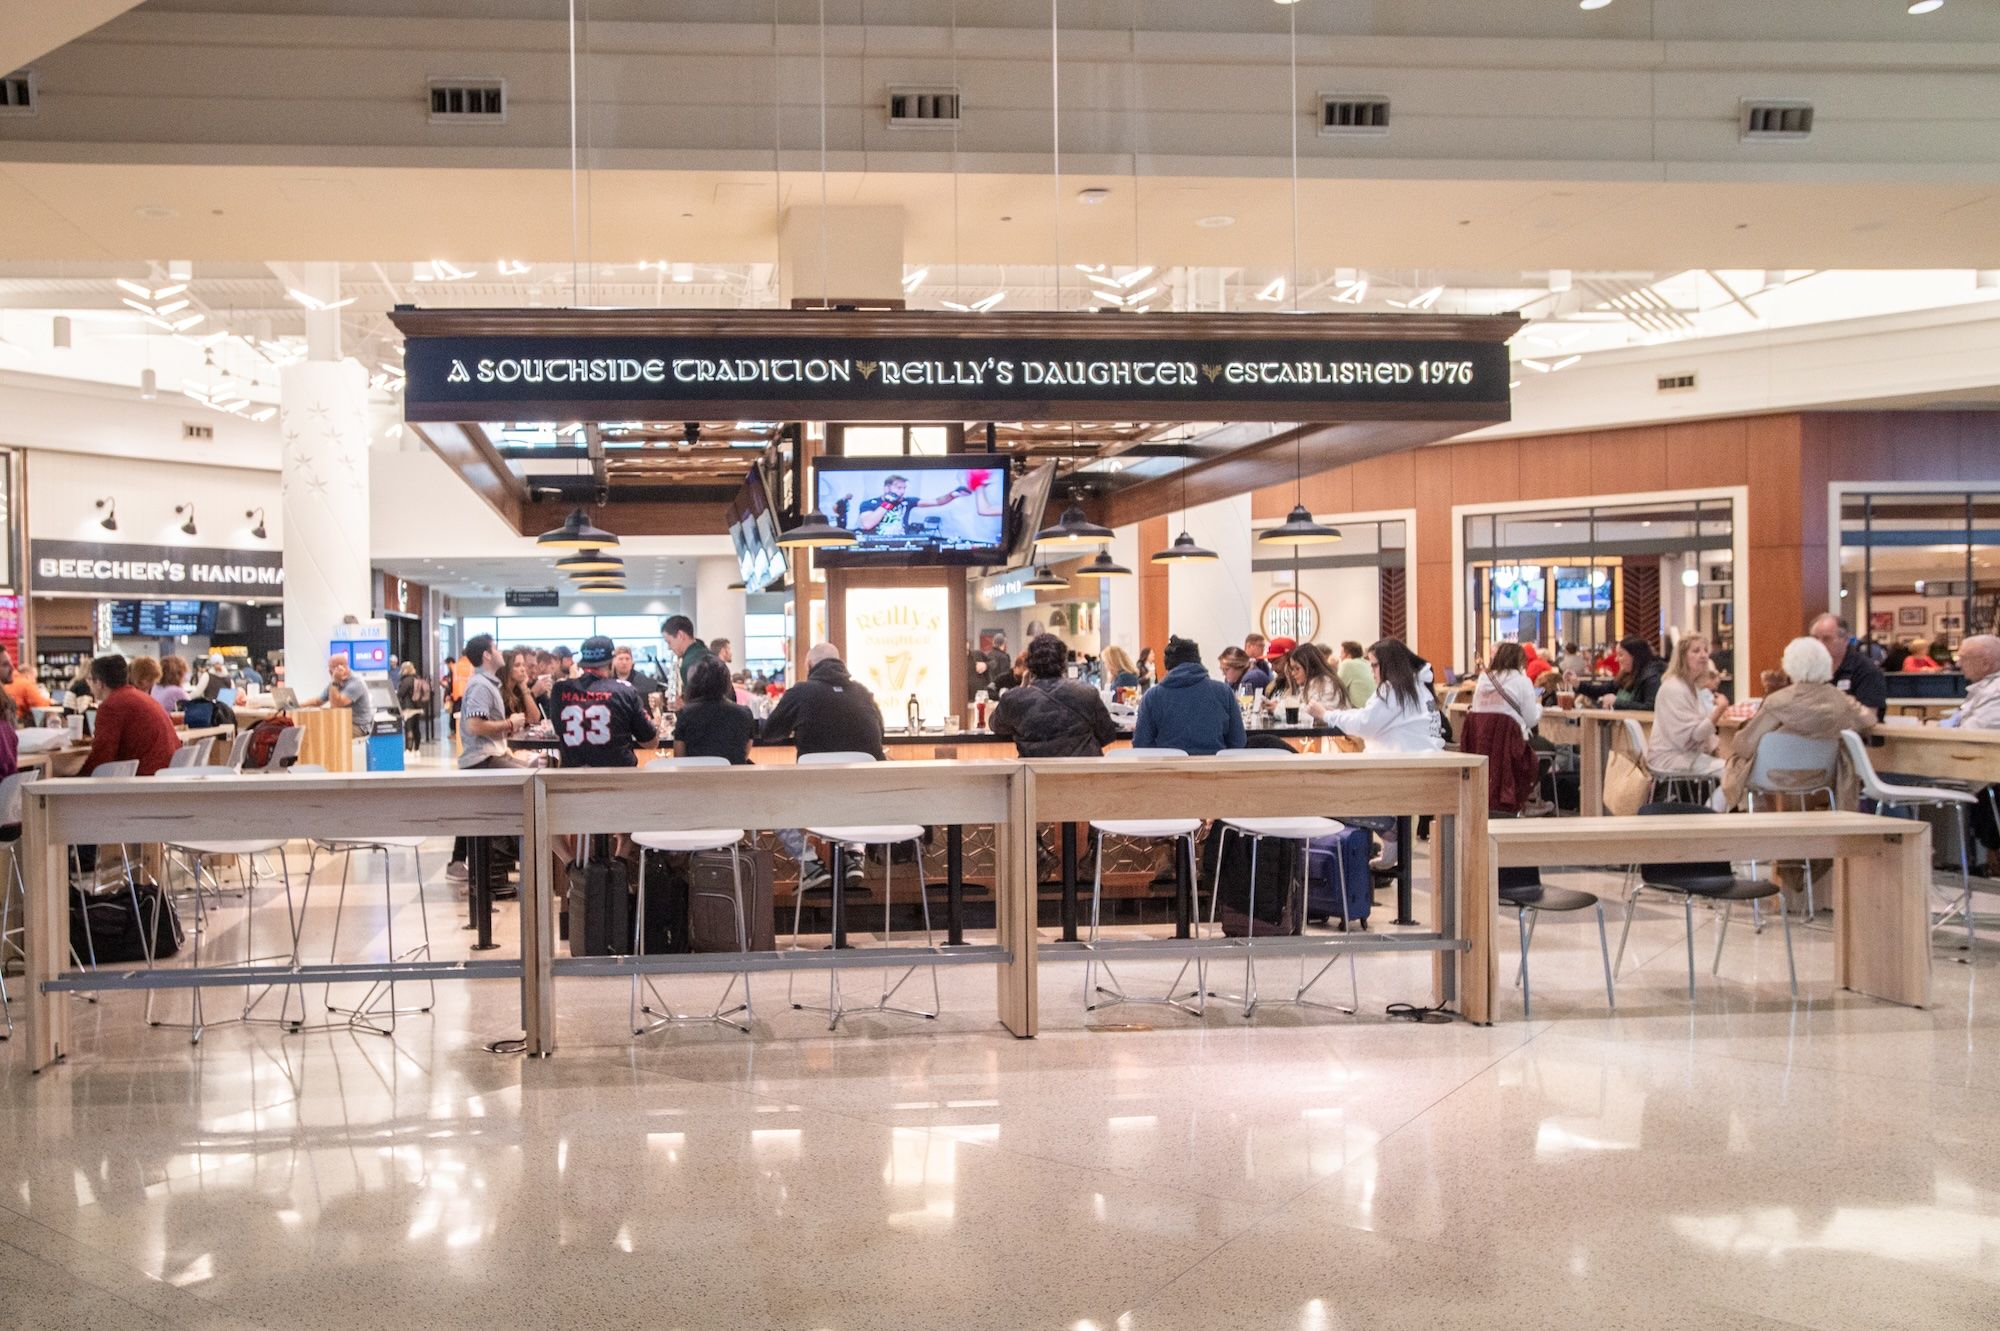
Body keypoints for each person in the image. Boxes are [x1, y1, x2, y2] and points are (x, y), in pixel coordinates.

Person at [762, 642, 887, 889]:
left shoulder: (800, 692)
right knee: (853, 792)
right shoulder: (863, 693)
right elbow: (880, 734)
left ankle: (809, 862)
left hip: (813, 801)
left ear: (809, 666)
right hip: (867, 803)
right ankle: (854, 854)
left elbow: (769, 733)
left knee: (769, 800)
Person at [1720, 636, 1876, 811]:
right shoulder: (1841, 699)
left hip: (1773, 776)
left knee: (1734, 765)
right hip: (1822, 776)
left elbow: (1744, 745)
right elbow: (1868, 720)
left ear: (1789, 665)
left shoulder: (1778, 701)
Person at [444, 634, 529, 886]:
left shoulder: (488, 683)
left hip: (491, 755)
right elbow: (474, 726)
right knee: (533, 781)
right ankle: (505, 862)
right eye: (496, 648)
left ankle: (501, 864)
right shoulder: (481, 685)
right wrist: (509, 724)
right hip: (483, 759)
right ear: (487, 655)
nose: (501, 652)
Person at [990, 632, 1119, 758]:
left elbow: (995, 725)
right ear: (1063, 663)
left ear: (1029, 665)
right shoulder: (1086, 693)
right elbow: (1107, 734)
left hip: (1036, 777)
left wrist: (1022, 688)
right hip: (1082, 775)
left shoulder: (1014, 699)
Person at [548, 636, 658, 768]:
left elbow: (558, 731)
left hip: (574, 779)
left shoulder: (560, 690)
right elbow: (650, 742)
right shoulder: (625, 691)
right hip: (620, 778)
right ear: (612, 661)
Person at [1323, 639, 1445, 754]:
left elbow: (1364, 724)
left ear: (1390, 664)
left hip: (1400, 768)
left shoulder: (1394, 689)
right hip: (1423, 763)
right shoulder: (1419, 688)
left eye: (1375, 665)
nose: (1372, 672)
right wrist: (1338, 714)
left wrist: (1327, 715)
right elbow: (1369, 716)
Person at [1133, 636, 1245, 755]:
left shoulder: (1152, 697)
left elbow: (1141, 745)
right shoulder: (1224, 692)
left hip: (1169, 771)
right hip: (1214, 770)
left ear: (1167, 665)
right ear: (1198, 661)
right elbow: (1238, 741)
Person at [1645, 632, 1729, 785]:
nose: (1703, 655)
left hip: (1685, 755)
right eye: (1696, 651)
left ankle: (1714, 808)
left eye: (1705, 650)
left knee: (1734, 772)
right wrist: (1720, 709)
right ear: (1682, 657)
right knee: (1732, 774)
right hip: (1670, 758)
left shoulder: (1692, 687)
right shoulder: (1674, 688)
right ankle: (1713, 809)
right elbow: (1696, 735)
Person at [79, 653, 180, 776]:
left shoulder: (111, 706)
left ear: (99, 683)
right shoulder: (142, 697)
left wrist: (74, 780)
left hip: (145, 780)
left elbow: (101, 756)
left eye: (90, 679)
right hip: (166, 774)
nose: (88, 685)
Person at [675, 656, 757, 764]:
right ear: (726, 682)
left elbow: (679, 757)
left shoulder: (685, 713)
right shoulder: (745, 714)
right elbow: (744, 754)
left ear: (694, 682)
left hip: (696, 778)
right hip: (734, 778)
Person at [1809, 612, 1887, 719]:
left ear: (1845, 640)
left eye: (1827, 639)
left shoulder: (1866, 670)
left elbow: (1869, 716)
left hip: (1854, 733)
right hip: (1817, 732)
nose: (1819, 644)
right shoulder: (1810, 669)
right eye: (1814, 639)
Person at [1469, 642, 1543, 741]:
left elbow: (1475, 709)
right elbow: (1531, 721)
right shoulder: (1522, 681)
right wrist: (1539, 705)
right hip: (1513, 744)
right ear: (1520, 661)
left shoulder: (1483, 679)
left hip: (1483, 741)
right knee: (1549, 746)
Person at [1576, 635, 1665, 710]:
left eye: (1621, 655)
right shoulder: (1625, 675)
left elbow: (1651, 707)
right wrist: (1576, 683)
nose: (1616, 659)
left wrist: (1617, 702)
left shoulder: (1652, 676)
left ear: (1634, 656)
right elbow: (1602, 690)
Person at [1268, 641, 1350, 722]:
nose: (1293, 673)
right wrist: (1279, 705)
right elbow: (1301, 706)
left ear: (1310, 667)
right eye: (1292, 669)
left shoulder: (1325, 685)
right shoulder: (1310, 685)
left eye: (1297, 669)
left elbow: (1313, 715)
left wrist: (1278, 709)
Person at [297, 653, 374, 738]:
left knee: (325, 733)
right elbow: (317, 701)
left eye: (331, 667)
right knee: (313, 728)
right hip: (342, 722)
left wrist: (335, 682)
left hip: (359, 727)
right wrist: (297, 706)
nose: (329, 671)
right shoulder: (335, 682)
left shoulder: (356, 683)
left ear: (340, 667)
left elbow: (336, 705)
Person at [661, 614, 713, 699]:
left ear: (680, 635)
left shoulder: (689, 664)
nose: (669, 648)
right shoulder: (709, 654)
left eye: (669, 642)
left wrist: (684, 704)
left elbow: (697, 704)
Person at [501, 648, 545, 728]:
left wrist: (523, 687)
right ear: (507, 668)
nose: (523, 669)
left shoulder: (520, 689)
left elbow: (534, 719)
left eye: (523, 665)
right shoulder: (498, 691)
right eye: (517, 665)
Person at [396, 661, 431, 752]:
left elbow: (400, 694)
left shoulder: (406, 680)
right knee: (416, 728)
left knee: (409, 728)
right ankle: (417, 749)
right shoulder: (417, 678)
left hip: (408, 708)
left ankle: (409, 749)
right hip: (418, 707)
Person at [1336, 641, 1374, 707]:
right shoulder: (1368, 663)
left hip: (1359, 711)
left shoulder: (1347, 663)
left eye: (1341, 653)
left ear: (1349, 656)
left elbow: (1336, 688)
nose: (1340, 656)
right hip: (1372, 708)